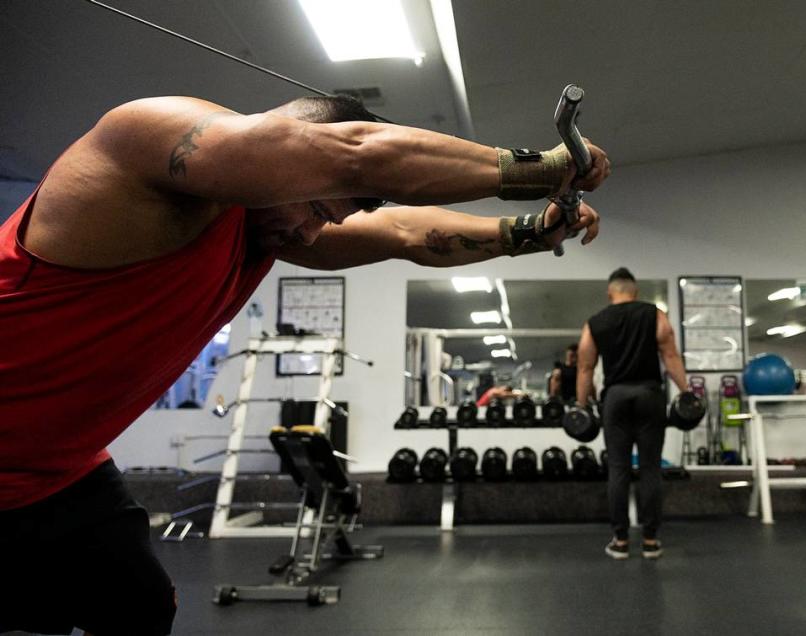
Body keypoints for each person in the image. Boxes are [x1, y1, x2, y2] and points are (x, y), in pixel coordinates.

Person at [0, 94, 610, 635]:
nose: (312, 233)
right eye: (316, 207)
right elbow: (356, 154)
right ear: (288, 144)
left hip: (60, 475)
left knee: (140, 610)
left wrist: (531, 230)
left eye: (326, 218)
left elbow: (402, 232)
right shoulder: (150, 135)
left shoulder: (271, 231)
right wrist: (547, 167)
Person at [575, 267, 687, 560]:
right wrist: (686, 392)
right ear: (635, 291)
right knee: (650, 468)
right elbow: (671, 357)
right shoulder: (655, 314)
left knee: (618, 469)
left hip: (616, 398)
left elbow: (585, 368)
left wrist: (580, 406)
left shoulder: (595, 323)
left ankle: (621, 541)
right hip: (649, 395)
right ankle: (650, 541)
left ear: (610, 292)